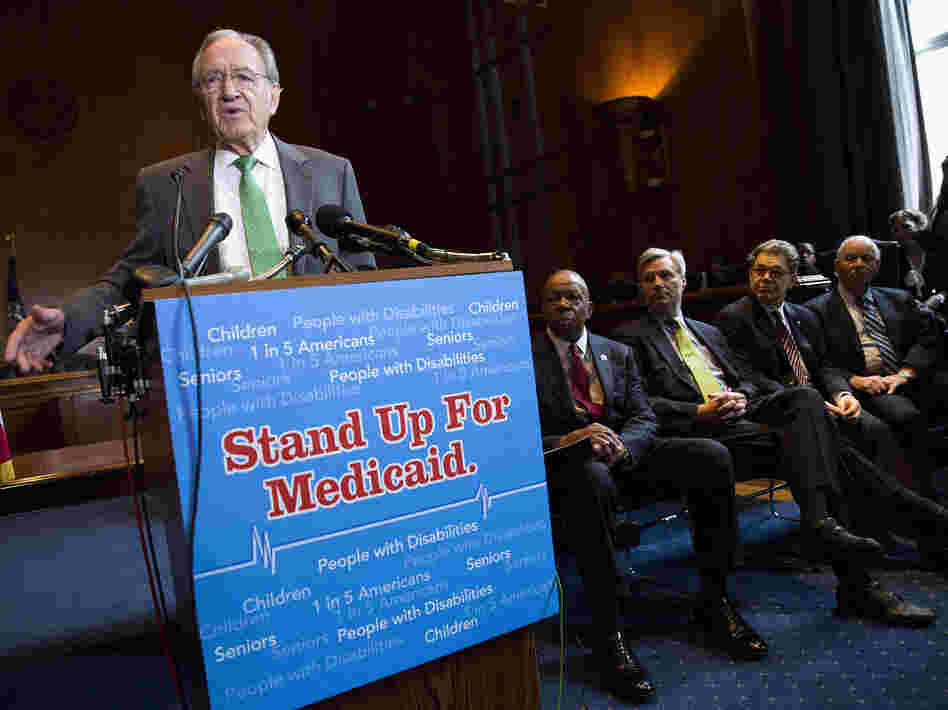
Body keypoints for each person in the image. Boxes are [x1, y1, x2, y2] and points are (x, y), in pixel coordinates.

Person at [5, 29, 375, 374]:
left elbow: (362, 279)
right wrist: (68, 320)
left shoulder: (331, 172)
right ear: (201, 103)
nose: (229, 91)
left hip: (322, 365)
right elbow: (130, 283)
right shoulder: (166, 185)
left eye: (244, 77)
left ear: (274, 95)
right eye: (213, 80)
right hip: (222, 371)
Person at [611, 248, 937, 626]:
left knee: (807, 404)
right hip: (698, 435)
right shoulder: (628, 338)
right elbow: (638, 404)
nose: (658, 284)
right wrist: (697, 412)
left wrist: (741, 396)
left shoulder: (709, 332)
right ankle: (878, 553)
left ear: (683, 282)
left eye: (666, 276)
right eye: (649, 279)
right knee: (830, 448)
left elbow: (745, 378)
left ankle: (834, 535)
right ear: (640, 288)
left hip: (743, 421)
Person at [535, 269, 766, 702]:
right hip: (571, 469)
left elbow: (644, 416)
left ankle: (715, 601)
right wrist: (567, 440)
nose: (564, 306)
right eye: (554, 300)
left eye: (573, 298)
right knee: (591, 476)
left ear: (590, 306)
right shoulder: (524, 360)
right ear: (542, 308)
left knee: (710, 456)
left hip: (626, 456)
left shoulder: (616, 352)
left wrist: (623, 446)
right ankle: (608, 632)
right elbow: (513, 431)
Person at [716, 239, 948, 565]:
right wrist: (810, 400)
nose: (765, 279)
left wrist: (843, 394)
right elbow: (748, 376)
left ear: (793, 279)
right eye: (759, 271)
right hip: (779, 407)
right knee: (858, 434)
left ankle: (885, 525)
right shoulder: (734, 317)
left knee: (873, 427)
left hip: (820, 399)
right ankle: (913, 521)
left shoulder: (800, 315)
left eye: (775, 273)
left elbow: (824, 366)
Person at [806, 236, 948, 505]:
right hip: (870, 386)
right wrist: (855, 380)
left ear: (877, 266)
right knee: (905, 416)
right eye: (850, 258)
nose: (858, 264)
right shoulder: (815, 311)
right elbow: (819, 363)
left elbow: (929, 338)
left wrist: (906, 372)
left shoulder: (899, 299)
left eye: (866, 259)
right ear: (836, 265)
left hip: (909, 376)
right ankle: (925, 503)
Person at [888, 209, 944, 308]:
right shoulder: (894, 256)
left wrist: (939, 297)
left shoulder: (938, 251)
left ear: (919, 225)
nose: (901, 233)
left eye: (906, 227)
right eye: (896, 230)